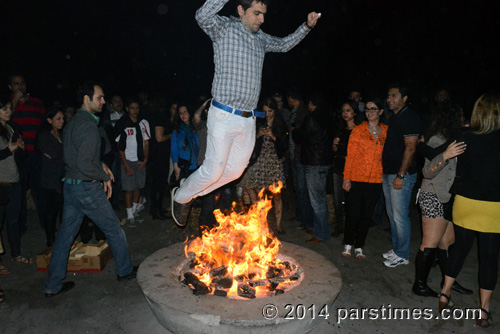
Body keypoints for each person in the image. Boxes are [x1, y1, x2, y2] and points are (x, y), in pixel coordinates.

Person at [171, 0, 320, 226]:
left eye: (264, 14)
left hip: (248, 119)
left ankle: (190, 190)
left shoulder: (261, 39)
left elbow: (284, 44)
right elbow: (202, 16)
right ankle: (181, 197)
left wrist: (306, 27)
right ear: (241, 10)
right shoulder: (225, 28)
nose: (262, 19)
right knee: (213, 170)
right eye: (257, 13)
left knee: (234, 172)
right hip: (223, 115)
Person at [44, 82, 136, 298]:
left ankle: (52, 285)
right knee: (115, 230)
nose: (104, 102)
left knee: (65, 237)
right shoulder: (88, 126)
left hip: (71, 187)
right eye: (100, 98)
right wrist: (104, 176)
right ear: (87, 99)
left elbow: (75, 158)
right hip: (87, 189)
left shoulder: (73, 123)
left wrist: (100, 165)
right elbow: (86, 164)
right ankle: (124, 271)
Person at [439, 91, 500, 328]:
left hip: (465, 202)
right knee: (488, 258)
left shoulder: (464, 135)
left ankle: (444, 293)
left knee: (460, 249)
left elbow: (439, 154)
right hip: (493, 207)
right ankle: (483, 311)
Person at [412, 104, 471, 297]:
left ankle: (448, 281)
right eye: (460, 116)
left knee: (448, 242)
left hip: (446, 196)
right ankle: (419, 285)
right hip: (433, 195)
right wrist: (445, 155)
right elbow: (427, 172)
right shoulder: (438, 140)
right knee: (429, 243)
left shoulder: (454, 139)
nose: (463, 120)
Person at [381, 83, 422, 268]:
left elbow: (411, 147)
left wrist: (401, 175)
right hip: (389, 173)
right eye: (388, 96)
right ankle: (397, 249)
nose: (390, 99)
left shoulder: (410, 117)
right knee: (392, 214)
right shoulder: (395, 117)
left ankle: (402, 254)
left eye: (394, 96)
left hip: (400, 175)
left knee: (399, 216)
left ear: (404, 98)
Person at [342, 98, 388, 258]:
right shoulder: (358, 130)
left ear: (381, 111)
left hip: (375, 180)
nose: (369, 112)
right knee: (353, 213)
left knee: (366, 215)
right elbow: (350, 156)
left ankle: (359, 245)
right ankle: (348, 243)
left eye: (373, 109)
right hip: (356, 178)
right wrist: (346, 178)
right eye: (367, 109)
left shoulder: (387, 131)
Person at [239, 97, 288, 234]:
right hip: (260, 162)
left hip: (274, 163)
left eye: (270, 111)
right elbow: (248, 143)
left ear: (275, 111)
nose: (268, 114)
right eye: (265, 111)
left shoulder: (280, 125)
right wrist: (258, 135)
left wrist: (273, 136)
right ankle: (263, 223)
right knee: (260, 194)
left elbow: (284, 146)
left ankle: (278, 225)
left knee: (277, 195)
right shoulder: (258, 123)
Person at [294, 94, 335, 244]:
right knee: (319, 198)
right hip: (324, 162)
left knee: (317, 200)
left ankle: (322, 234)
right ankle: (319, 228)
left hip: (315, 163)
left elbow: (298, 137)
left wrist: (294, 130)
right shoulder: (328, 118)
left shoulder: (312, 119)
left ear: (311, 103)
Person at [8, 73, 46, 234]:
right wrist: (15, 101)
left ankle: (46, 225)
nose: (20, 86)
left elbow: (44, 126)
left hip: (36, 154)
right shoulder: (8, 105)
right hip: (18, 155)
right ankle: (20, 226)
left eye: (22, 83)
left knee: (41, 190)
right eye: (16, 84)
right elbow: (5, 123)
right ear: (10, 87)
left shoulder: (37, 103)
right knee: (20, 192)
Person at [0, 100, 32, 269]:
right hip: (1, 182)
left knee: (14, 221)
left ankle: (16, 254)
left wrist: (21, 148)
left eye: (9, 108)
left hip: (14, 180)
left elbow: (19, 156)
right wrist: (10, 149)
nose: (8, 111)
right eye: (4, 108)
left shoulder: (11, 128)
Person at [115, 99, 151, 225]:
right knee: (128, 189)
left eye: (137, 108)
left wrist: (145, 160)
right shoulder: (122, 123)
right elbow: (120, 146)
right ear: (127, 109)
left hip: (140, 160)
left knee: (138, 187)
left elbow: (146, 142)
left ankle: (135, 211)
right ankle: (130, 216)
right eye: (132, 108)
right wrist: (125, 164)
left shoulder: (143, 122)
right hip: (128, 160)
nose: (135, 111)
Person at [36, 108, 65, 247]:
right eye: (58, 118)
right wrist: (60, 154)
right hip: (50, 177)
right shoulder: (44, 135)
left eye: (62, 118)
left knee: (63, 208)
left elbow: (60, 154)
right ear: (49, 120)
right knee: (52, 209)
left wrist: (59, 154)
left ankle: (62, 237)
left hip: (62, 175)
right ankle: (50, 239)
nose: (62, 121)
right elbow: (54, 153)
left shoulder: (62, 134)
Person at [331, 101, 358, 237]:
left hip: (353, 168)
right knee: (338, 199)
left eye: (348, 110)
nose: (345, 114)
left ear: (354, 112)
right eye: (343, 111)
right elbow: (335, 150)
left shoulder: (359, 130)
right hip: (339, 166)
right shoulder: (340, 129)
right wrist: (335, 144)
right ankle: (339, 226)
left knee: (350, 200)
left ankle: (350, 228)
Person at [148, 97, 173, 220]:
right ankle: (157, 212)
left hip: (155, 154)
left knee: (156, 184)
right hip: (159, 155)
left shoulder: (153, 116)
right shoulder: (159, 117)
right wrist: (171, 135)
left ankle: (155, 209)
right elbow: (159, 138)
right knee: (159, 183)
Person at [170, 104, 199, 188]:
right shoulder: (177, 131)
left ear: (190, 113)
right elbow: (173, 150)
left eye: (185, 111)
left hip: (196, 167)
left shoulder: (197, 129)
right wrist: (176, 168)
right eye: (180, 113)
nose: (183, 115)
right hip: (183, 167)